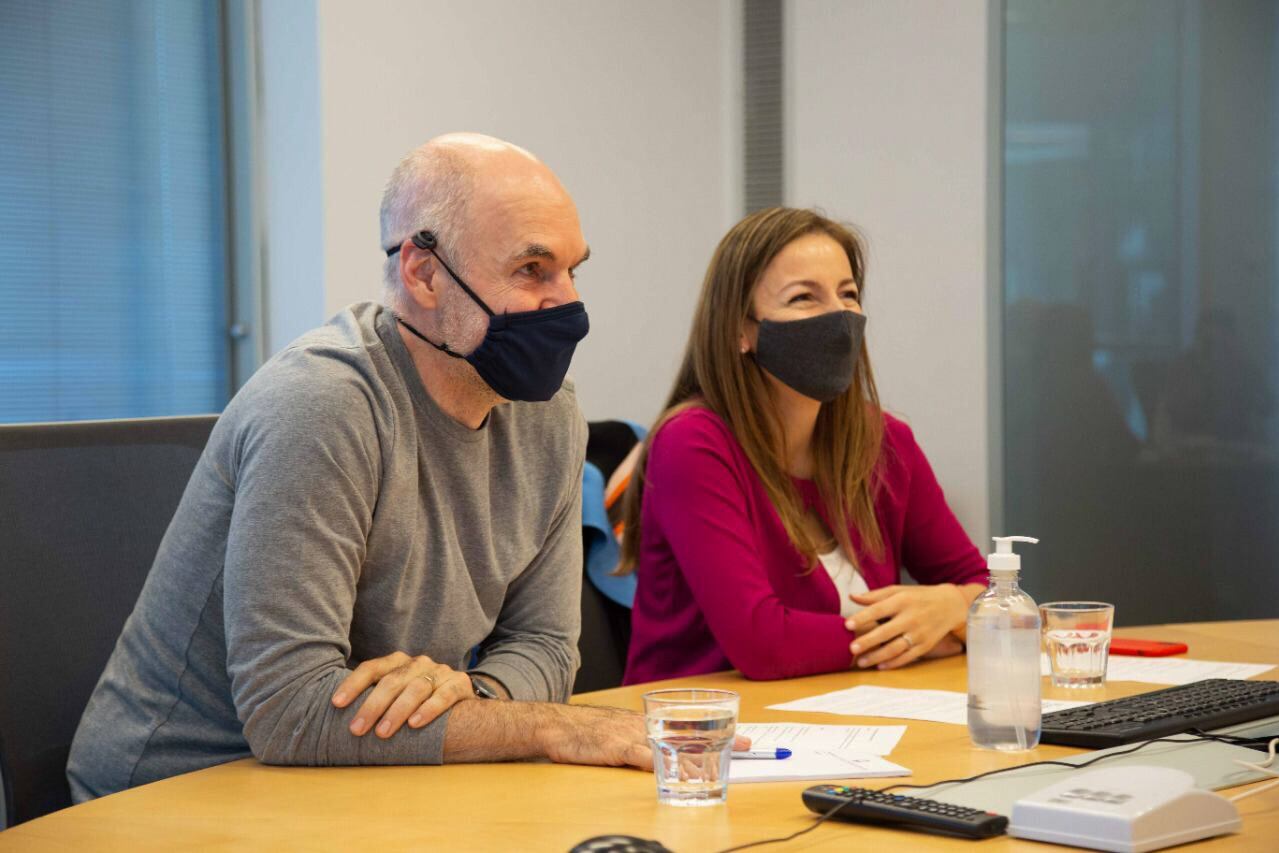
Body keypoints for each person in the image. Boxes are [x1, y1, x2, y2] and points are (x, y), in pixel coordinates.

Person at [68, 133, 663, 801]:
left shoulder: (548, 413)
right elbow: (288, 710)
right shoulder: (323, 405)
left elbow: (548, 646)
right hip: (174, 791)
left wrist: (471, 693)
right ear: (424, 273)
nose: (568, 305)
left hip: (359, 775)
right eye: (532, 270)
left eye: (572, 271)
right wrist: (545, 728)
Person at [620, 207, 988, 684]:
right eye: (804, 298)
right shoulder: (692, 443)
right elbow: (764, 644)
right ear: (741, 331)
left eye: (848, 294)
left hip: (851, 724)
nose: (838, 316)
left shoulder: (885, 442)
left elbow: (991, 592)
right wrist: (924, 639)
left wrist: (954, 605)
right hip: (698, 741)